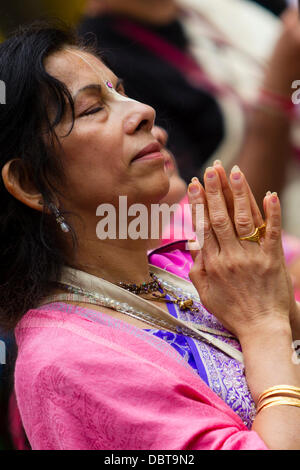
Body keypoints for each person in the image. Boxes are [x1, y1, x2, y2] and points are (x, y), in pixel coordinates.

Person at [1, 23, 300, 451]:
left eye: (121, 91)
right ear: (30, 183)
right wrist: (264, 326)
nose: (143, 110)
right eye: (91, 109)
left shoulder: (181, 266)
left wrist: (280, 308)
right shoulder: (66, 360)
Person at [78, 0, 300, 235]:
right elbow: (209, 225)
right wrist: (277, 93)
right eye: (92, 110)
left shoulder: (224, 10)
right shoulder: (102, 59)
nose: (146, 116)